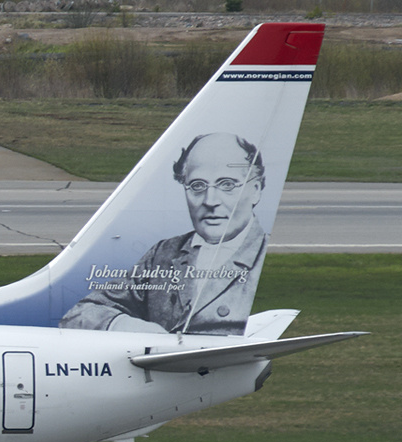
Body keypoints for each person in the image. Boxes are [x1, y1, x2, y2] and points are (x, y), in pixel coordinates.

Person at [60, 133, 268, 336]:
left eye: (227, 185)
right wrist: (123, 325)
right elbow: (79, 314)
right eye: (197, 186)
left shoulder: (261, 256)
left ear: (256, 190)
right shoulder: (166, 253)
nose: (210, 200)